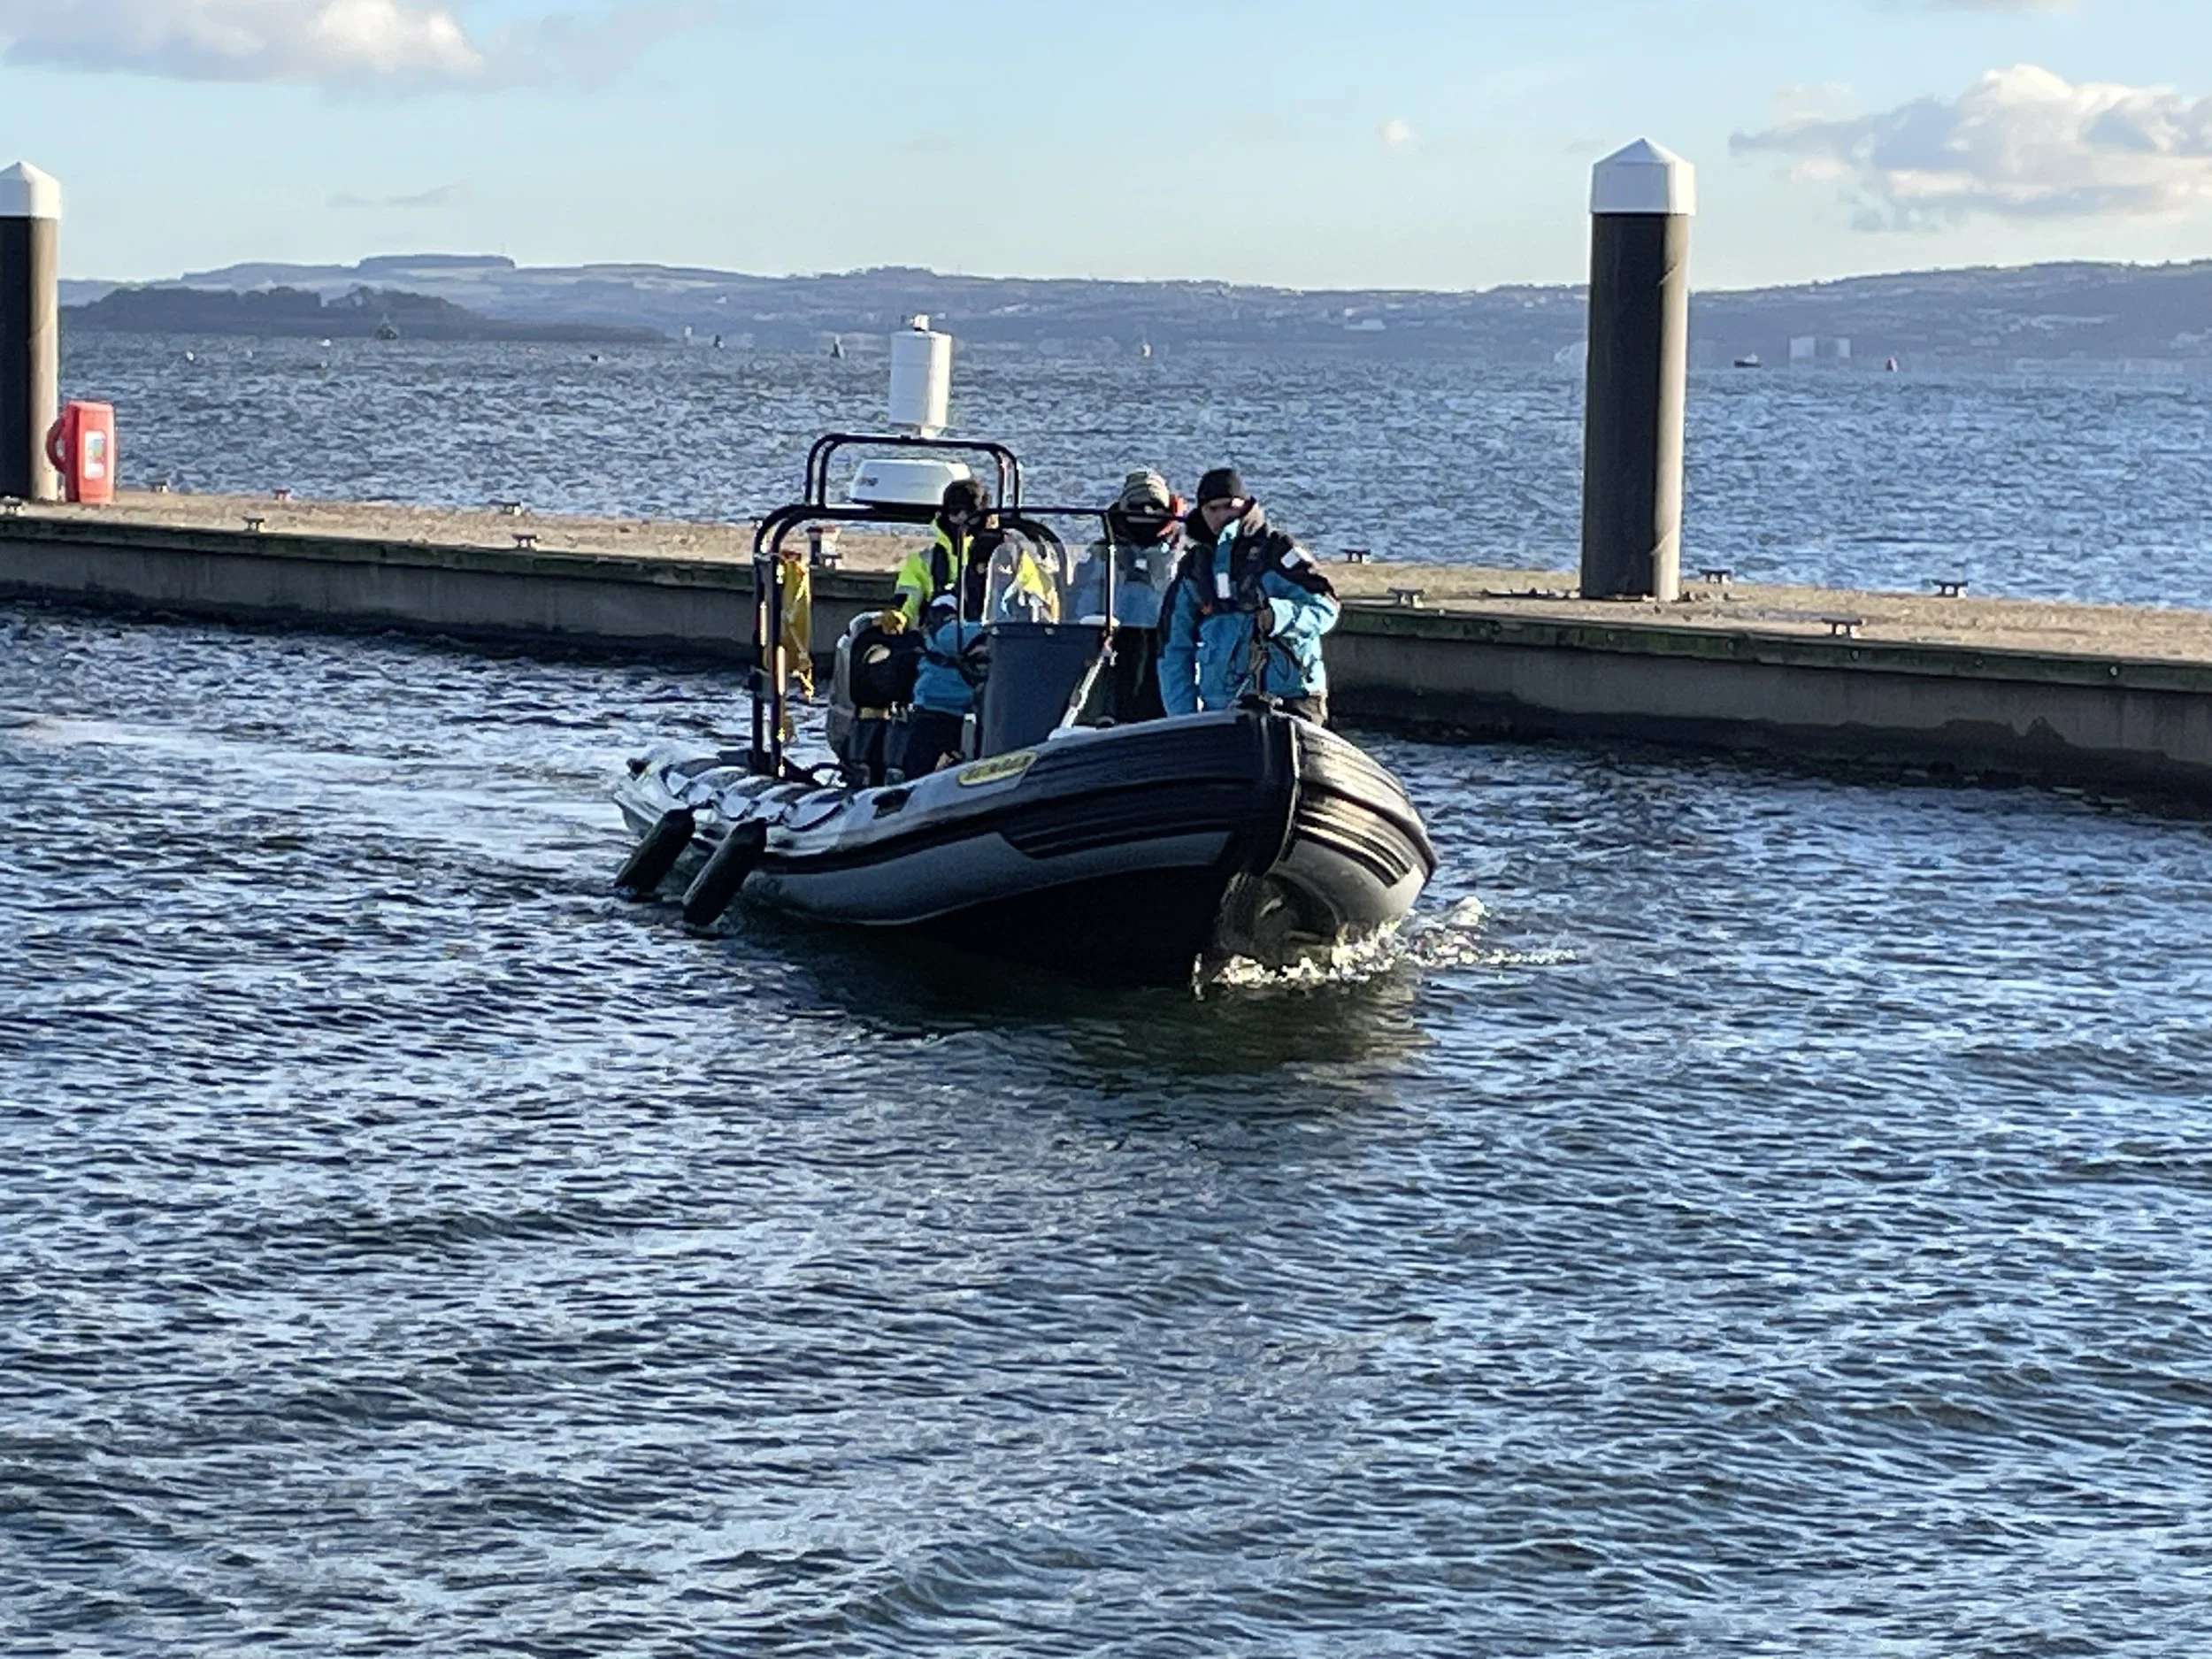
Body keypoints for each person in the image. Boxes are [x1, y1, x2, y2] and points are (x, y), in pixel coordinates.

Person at [1156, 467, 1338, 723]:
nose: (1222, 516)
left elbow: (1326, 608)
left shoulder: (1279, 551)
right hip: (1222, 706)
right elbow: (1173, 648)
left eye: (1229, 507)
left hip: (1293, 698)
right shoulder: (1194, 569)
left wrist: (1278, 617)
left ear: (1245, 505)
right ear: (1202, 512)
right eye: (1213, 509)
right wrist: (1183, 719)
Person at [1069, 469, 1182, 723]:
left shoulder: (1179, 555)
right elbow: (1081, 600)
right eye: (1138, 506)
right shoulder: (1102, 552)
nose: (1147, 513)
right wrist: (1090, 627)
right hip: (1112, 643)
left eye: (1155, 506)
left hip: (1165, 644)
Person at [892, 477, 1056, 628]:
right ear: (945, 514)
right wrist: (896, 617)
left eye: (971, 513)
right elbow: (906, 599)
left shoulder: (1013, 554)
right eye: (955, 512)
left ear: (984, 514)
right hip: (945, 640)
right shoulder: (924, 559)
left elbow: (1039, 598)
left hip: (999, 637)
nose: (963, 520)